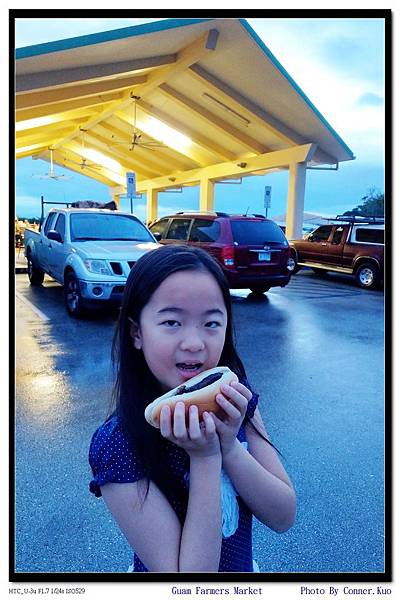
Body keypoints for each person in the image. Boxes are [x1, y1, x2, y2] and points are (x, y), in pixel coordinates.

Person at [89, 245, 296, 572]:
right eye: (172, 322)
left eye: (211, 323)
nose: (194, 343)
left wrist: (229, 446)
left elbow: (283, 515)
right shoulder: (120, 444)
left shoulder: (235, 399)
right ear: (136, 333)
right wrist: (205, 458)